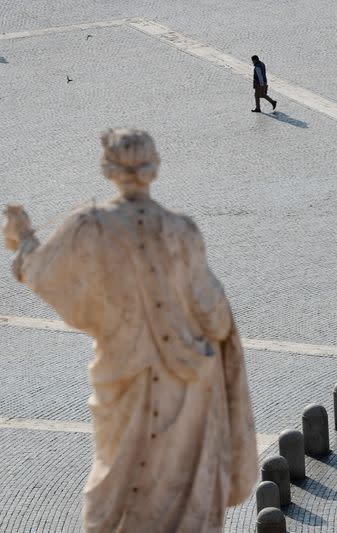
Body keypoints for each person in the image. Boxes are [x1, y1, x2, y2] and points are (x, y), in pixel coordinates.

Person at [3, 128, 258, 533]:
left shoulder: (89, 225)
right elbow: (215, 318)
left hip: (123, 374)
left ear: (108, 170)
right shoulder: (183, 231)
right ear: (153, 168)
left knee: (119, 489)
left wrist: (24, 238)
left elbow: (43, 273)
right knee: (184, 501)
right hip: (188, 380)